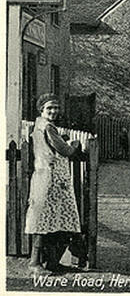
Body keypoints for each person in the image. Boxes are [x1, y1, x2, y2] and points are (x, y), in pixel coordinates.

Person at [25, 94, 83, 275]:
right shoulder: (48, 127)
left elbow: (50, 144)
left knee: (50, 220)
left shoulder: (39, 126)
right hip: (51, 179)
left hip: (46, 177)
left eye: (56, 107)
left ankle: (51, 262)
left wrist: (61, 137)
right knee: (44, 221)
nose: (53, 111)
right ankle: (35, 264)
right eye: (49, 108)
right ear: (41, 109)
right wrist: (74, 144)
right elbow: (65, 150)